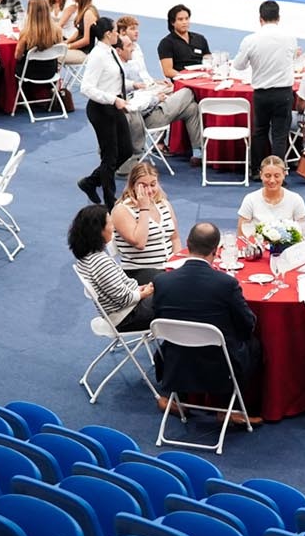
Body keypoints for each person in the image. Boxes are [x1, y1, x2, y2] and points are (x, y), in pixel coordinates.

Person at [152, 222, 260, 415]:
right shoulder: (226, 284)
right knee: (254, 345)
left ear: (187, 243)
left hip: (175, 361)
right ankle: (231, 409)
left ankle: (180, 399)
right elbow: (247, 325)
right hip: (219, 365)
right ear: (216, 250)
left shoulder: (162, 281)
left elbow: (159, 319)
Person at [114, 15, 200, 172]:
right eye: (132, 29)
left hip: (148, 98)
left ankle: (198, 152)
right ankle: (159, 141)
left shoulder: (135, 49)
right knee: (187, 91)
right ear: (121, 34)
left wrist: (155, 83)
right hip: (148, 115)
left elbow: (144, 75)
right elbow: (135, 104)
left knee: (192, 108)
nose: (136, 33)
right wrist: (155, 98)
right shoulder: (118, 71)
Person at [71, 203, 157, 333]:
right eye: (110, 224)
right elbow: (124, 299)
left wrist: (139, 289)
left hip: (121, 312)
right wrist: (143, 293)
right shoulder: (101, 262)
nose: (113, 228)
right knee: (172, 299)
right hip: (128, 317)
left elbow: (116, 290)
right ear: (98, 230)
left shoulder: (86, 257)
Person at [75, 17, 133, 207]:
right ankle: (110, 202)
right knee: (110, 156)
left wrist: (134, 86)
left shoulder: (111, 52)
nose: (119, 34)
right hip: (101, 109)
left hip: (114, 105)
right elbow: (86, 88)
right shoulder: (97, 56)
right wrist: (112, 99)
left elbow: (113, 80)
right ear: (108, 34)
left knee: (126, 150)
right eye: (116, 30)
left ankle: (91, 182)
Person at [237, 0, 295, 163]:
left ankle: (257, 169)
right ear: (278, 17)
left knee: (260, 131)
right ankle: (278, 172)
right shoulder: (290, 38)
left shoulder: (251, 40)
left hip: (262, 93)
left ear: (260, 18)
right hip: (283, 92)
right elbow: (292, 59)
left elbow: (239, 65)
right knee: (280, 135)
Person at [112, 163, 177, 284]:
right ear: (133, 186)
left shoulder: (163, 204)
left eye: (153, 184)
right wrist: (144, 209)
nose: (149, 190)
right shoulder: (122, 210)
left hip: (167, 267)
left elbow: (175, 238)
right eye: (143, 186)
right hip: (139, 271)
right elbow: (139, 242)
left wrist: (178, 263)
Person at [239, 156, 305, 252]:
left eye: (277, 176)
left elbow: (303, 234)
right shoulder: (250, 199)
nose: (272, 181)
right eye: (267, 176)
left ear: (284, 175)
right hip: (257, 253)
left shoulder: (296, 199)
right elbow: (241, 236)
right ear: (261, 175)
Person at [157, 3, 211, 77]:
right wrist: (188, 77)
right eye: (180, 19)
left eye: (187, 18)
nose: (184, 22)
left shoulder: (200, 39)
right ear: (172, 22)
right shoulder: (166, 43)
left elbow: (209, 61)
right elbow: (168, 71)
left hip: (202, 78)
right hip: (182, 82)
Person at [61, 0, 99, 66]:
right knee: (55, 50)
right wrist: (66, 42)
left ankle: (55, 78)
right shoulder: (82, 10)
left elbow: (86, 40)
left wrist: (69, 46)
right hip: (80, 49)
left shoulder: (88, 13)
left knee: (55, 55)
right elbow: (78, 31)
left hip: (85, 52)